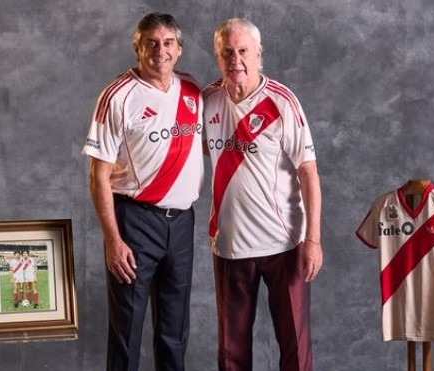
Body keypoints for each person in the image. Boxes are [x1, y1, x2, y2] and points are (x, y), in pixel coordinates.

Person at [82, 12, 204, 371]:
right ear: (138, 48)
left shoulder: (192, 91)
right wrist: (112, 240)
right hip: (135, 222)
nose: (160, 51)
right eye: (151, 43)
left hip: (182, 223)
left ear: (179, 50)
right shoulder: (117, 96)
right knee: (127, 330)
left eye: (168, 43)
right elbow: (98, 175)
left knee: (174, 331)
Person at [203, 18, 323, 371]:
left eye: (243, 52)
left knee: (295, 350)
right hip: (229, 246)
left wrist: (313, 240)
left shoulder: (282, 102)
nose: (235, 60)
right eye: (227, 52)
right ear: (217, 56)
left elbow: (309, 173)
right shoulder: (207, 100)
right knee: (231, 353)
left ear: (259, 54)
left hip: (284, 245)